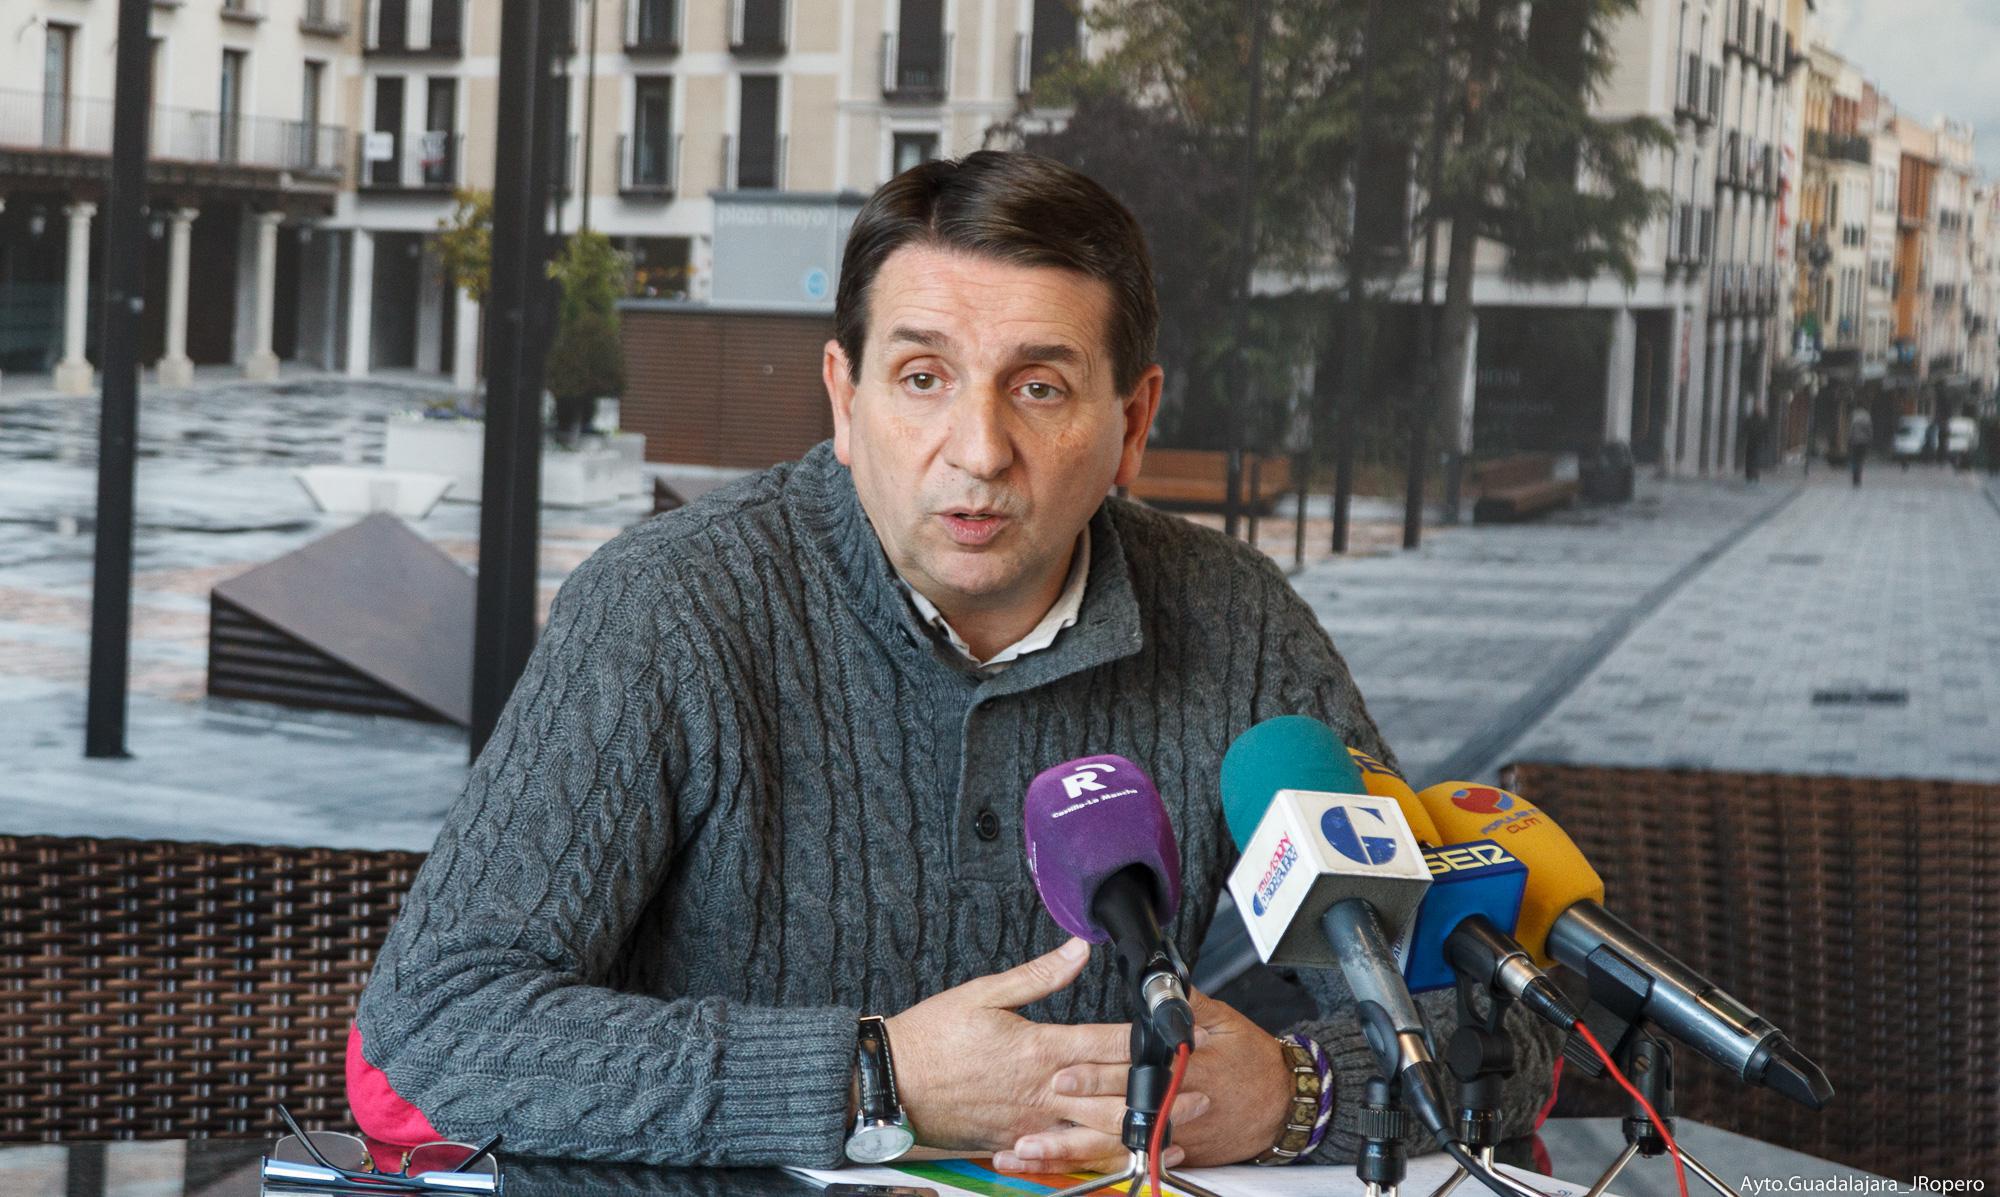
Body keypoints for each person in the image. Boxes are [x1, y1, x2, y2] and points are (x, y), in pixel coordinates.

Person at [347, 152, 1560, 1175]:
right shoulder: (668, 606)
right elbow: (438, 1027)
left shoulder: (1236, 622)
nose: (977, 449)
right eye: (921, 378)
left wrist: (1296, 1094)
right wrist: (869, 1076)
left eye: (1039, 387)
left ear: (1132, 423)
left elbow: (1500, 1028)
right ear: (844, 398)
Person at [1742, 403, 1767, 483]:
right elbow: (1765, 432)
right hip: (1758, 443)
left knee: (1749, 458)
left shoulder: (1749, 419)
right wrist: (1765, 441)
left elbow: (1744, 430)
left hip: (1750, 442)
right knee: (1756, 459)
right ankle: (1755, 474)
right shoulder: (1762, 420)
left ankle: (1749, 474)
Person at [1849, 405, 1873, 487]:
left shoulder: (1854, 417)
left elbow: (1851, 430)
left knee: (1854, 460)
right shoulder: (1867, 417)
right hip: (1863, 442)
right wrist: (1870, 440)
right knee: (1860, 460)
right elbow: (1869, 431)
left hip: (1855, 442)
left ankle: (1854, 477)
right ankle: (1858, 477)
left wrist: (1850, 439)